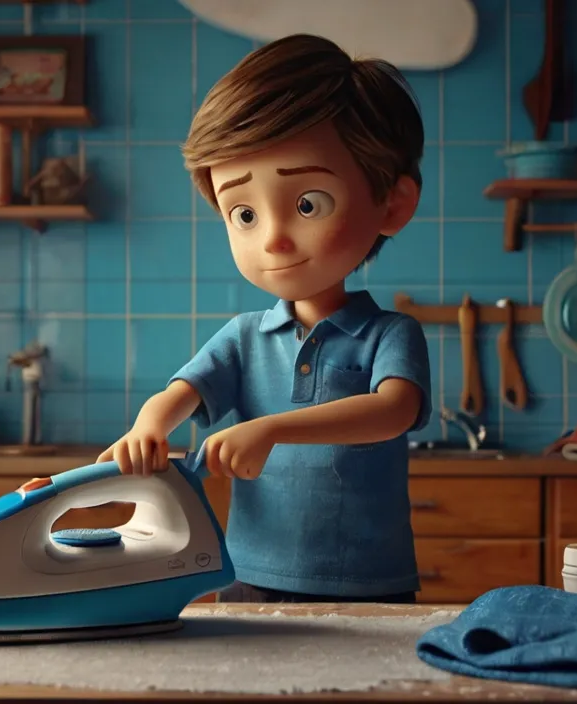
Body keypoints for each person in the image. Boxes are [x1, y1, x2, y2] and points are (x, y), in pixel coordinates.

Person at [96, 33, 431, 604]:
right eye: (244, 213)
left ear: (392, 205)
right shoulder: (245, 337)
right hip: (247, 578)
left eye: (308, 204)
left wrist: (272, 428)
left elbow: (392, 411)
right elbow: (180, 391)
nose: (273, 238)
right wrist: (149, 427)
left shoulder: (390, 334)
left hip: (369, 583)